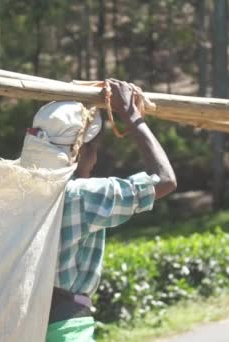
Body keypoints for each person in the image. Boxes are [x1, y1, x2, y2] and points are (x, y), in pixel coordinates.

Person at [45, 79, 177, 341]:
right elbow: (165, 180)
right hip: (65, 331)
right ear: (81, 152)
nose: (95, 158)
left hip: (25, 325)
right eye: (93, 150)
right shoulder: (80, 196)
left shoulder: (21, 189)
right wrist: (131, 115)